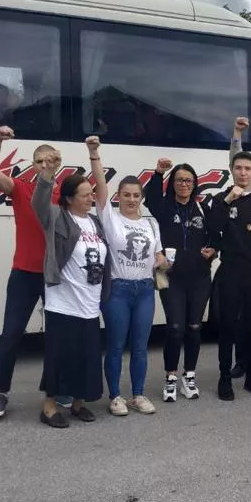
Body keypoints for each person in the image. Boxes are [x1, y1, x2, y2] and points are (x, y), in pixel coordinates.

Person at [31, 144, 111, 428]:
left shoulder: (94, 222)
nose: (91, 198)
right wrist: (48, 174)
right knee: (59, 356)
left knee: (85, 357)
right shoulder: (56, 217)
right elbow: (38, 204)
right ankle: (49, 407)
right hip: (63, 303)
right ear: (69, 198)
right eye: (85, 195)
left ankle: (78, 403)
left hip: (89, 303)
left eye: (91, 193)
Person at [86, 136, 166, 417]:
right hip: (117, 290)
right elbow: (100, 185)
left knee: (140, 347)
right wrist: (94, 154)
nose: (131, 199)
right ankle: (115, 396)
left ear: (141, 198)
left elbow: (159, 256)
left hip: (144, 290)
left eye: (136, 195)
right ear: (118, 196)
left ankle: (138, 395)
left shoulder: (151, 224)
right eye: (126, 195)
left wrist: (162, 260)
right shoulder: (110, 218)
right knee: (116, 346)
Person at [0, 126, 58, 420]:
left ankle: (53, 392)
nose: (44, 165)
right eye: (39, 161)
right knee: (11, 334)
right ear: (33, 165)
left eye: (50, 160)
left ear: (58, 163)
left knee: (56, 337)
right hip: (24, 274)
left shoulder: (64, 193)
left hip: (54, 276)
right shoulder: (21, 188)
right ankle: (1, 392)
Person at [206, 147, 251, 401]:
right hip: (230, 272)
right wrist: (227, 201)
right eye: (239, 168)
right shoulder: (221, 199)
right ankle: (225, 377)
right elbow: (212, 229)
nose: (243, 172)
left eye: (248, 169)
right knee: (228, 326)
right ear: (231, 171)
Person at [145, 158, 218, 403]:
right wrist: (158, 173)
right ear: (172, 183)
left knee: (194, 327)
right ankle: (170, 377)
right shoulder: (164, 207)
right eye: (179, 180)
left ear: (195, 184)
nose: (184, 184)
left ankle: (189, 376)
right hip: (172, 278)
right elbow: (150, 198)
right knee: (175, 328)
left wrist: (213, 251)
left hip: (199, 278)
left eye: (188, 180)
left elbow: (216, 235)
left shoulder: (203, 209)